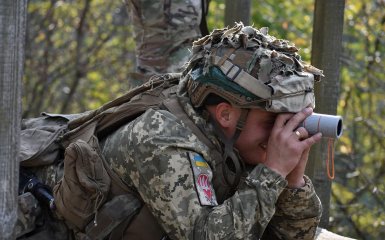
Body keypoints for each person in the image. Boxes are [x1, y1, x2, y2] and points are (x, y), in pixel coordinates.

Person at [99, 23, 324, 239]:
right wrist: (272, 172)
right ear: (225, 114)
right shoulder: (163, 138)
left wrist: (293, 182)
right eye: (272, 121)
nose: (282, 132)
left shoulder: (230, 141)